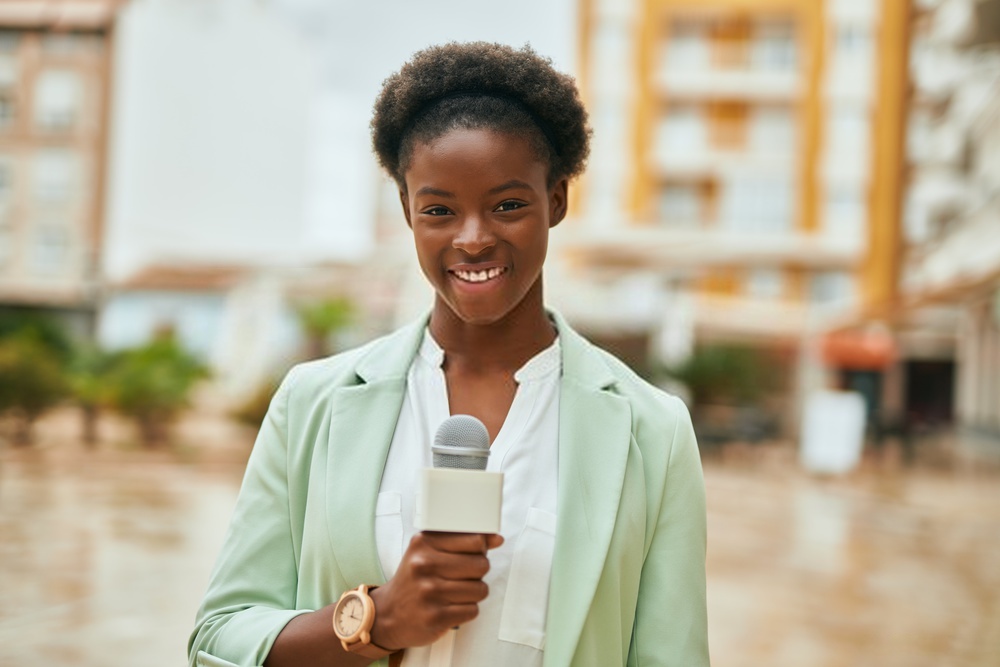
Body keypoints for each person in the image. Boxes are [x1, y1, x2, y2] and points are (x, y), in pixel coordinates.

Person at [189, 42, 708, 667]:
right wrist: (378, 619)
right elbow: (217, 638)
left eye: (508, 205)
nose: (473, 239)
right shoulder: (313, 405)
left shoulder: (653, 432)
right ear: (408, 211)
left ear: (559, 200)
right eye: (439, 210)